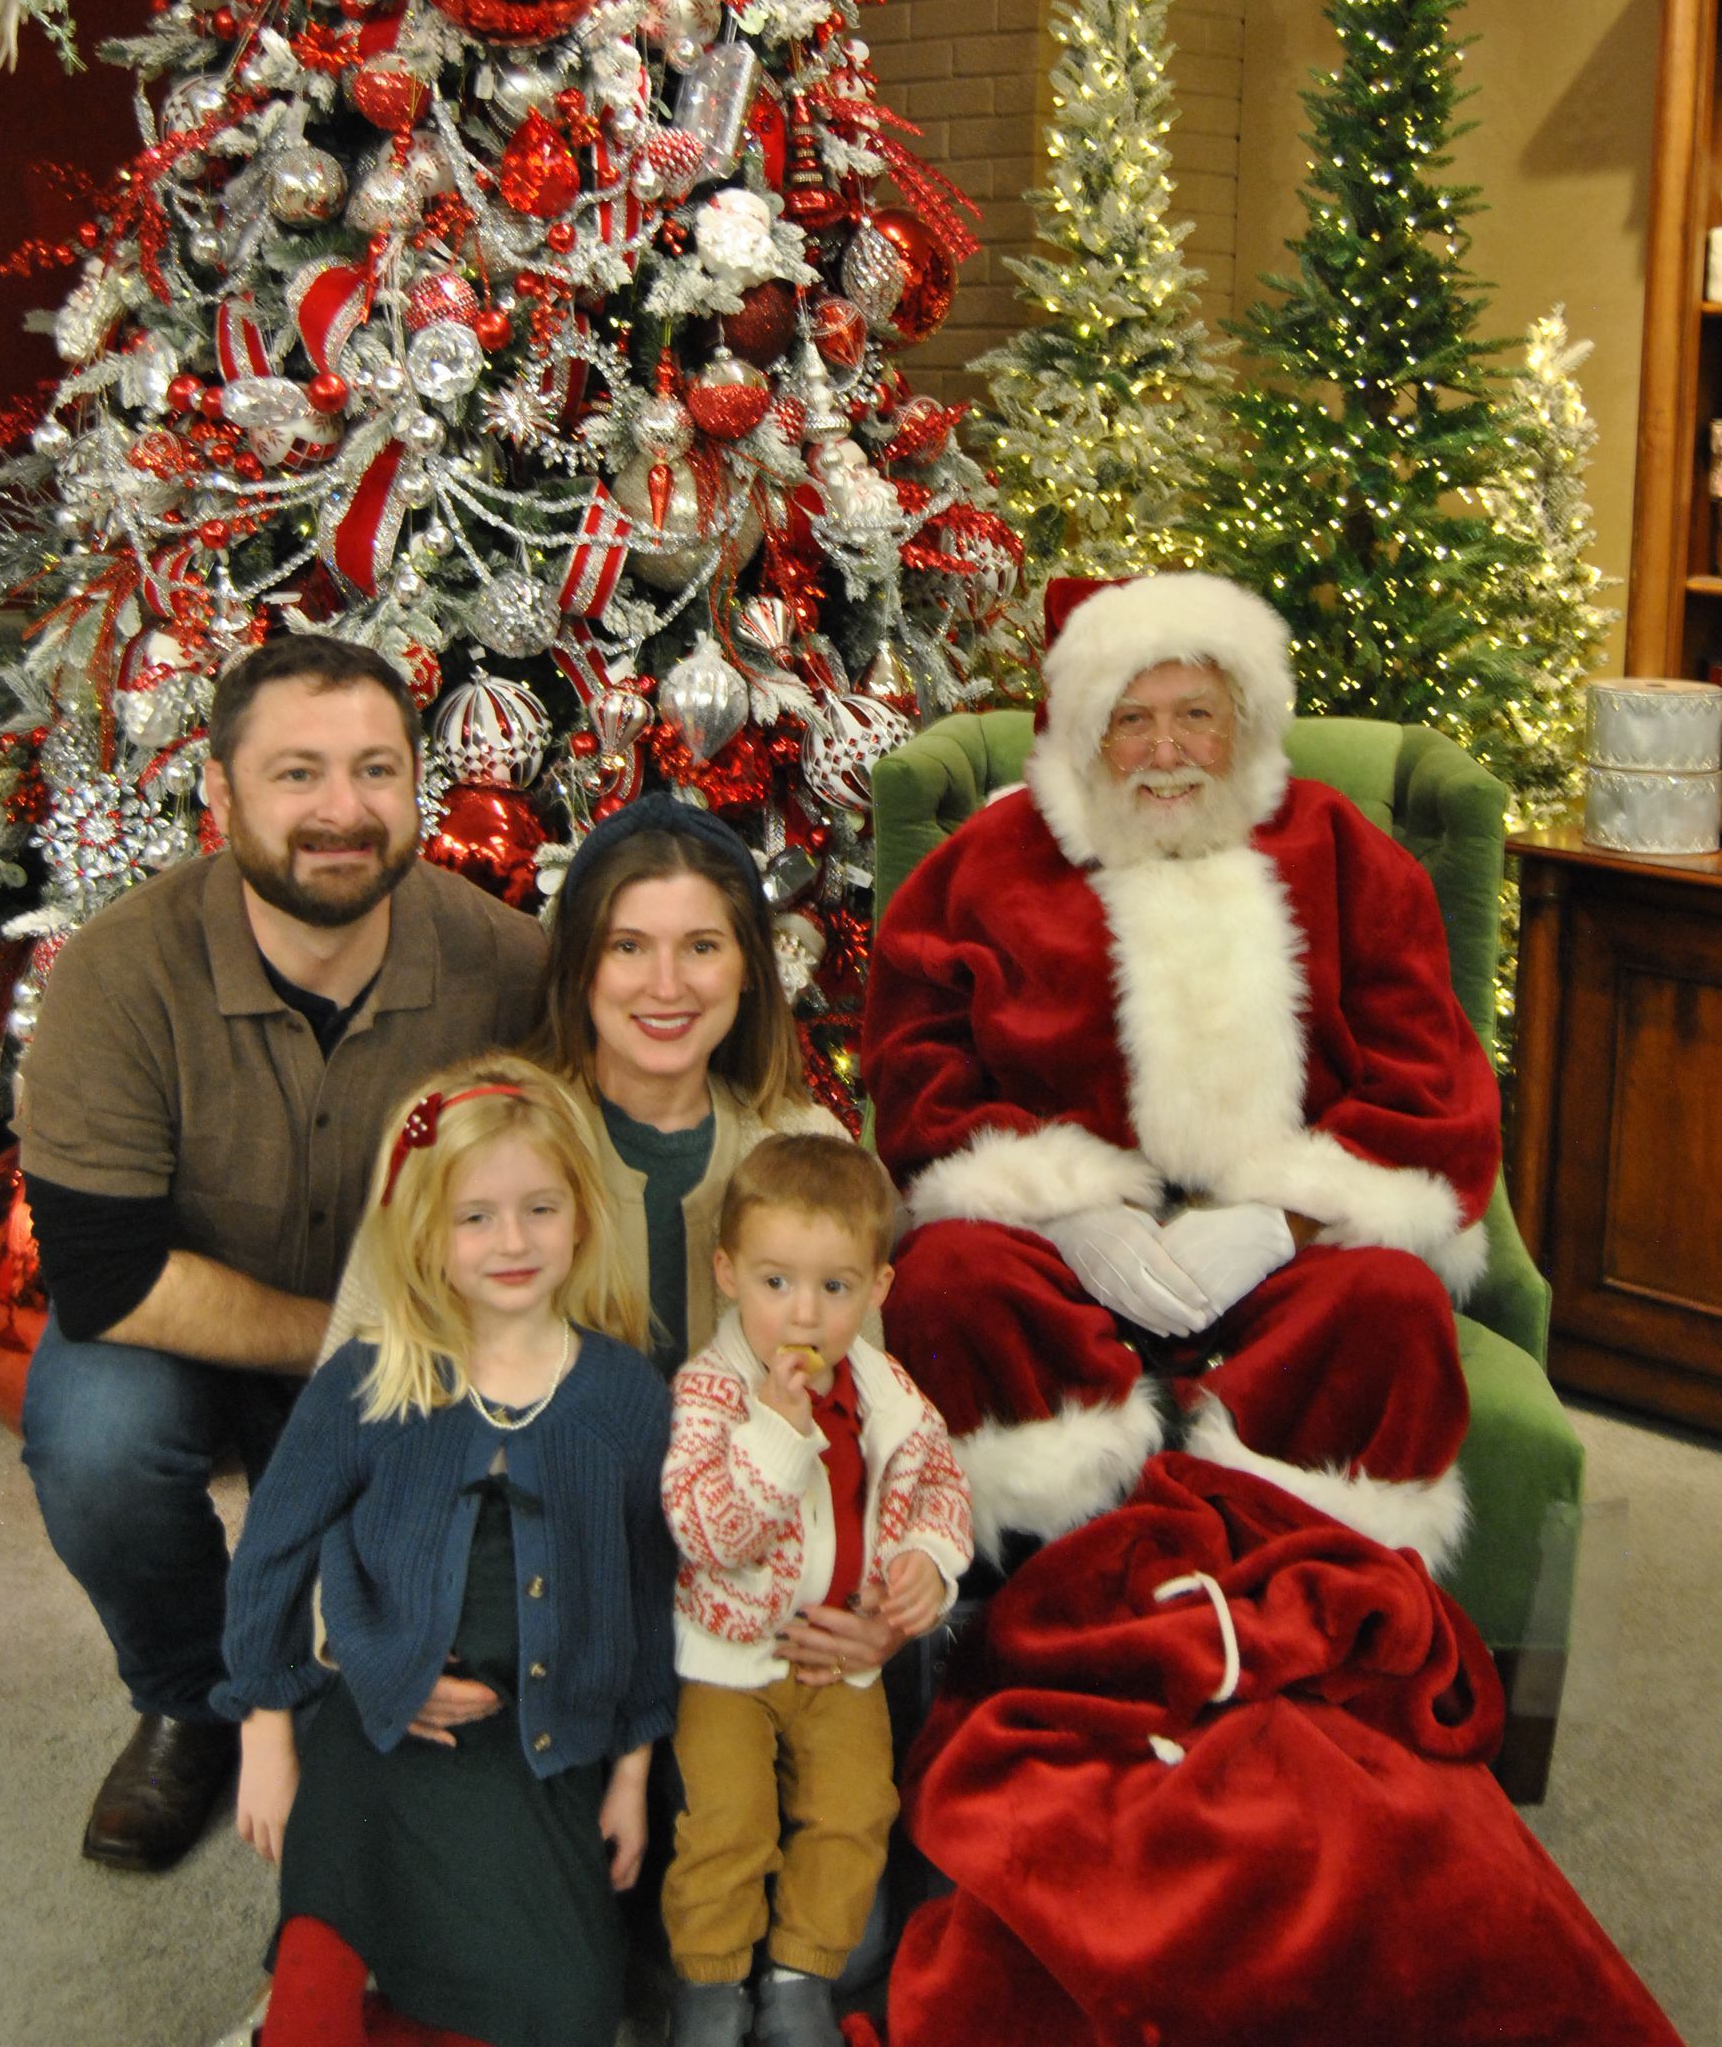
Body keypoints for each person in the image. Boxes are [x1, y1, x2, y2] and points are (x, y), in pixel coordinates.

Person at [16, 634, 547, 1870]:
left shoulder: (512, 970)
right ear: (219, 791)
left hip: (425, 1332)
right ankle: (189, 1697)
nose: (341, 811)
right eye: (296, 773)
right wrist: (352, 1341)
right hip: (187, 1329)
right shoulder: (117, 976)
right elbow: (106, 1278)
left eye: (375, 770)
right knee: (92, 1443)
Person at [863, 570, 1502, 1575]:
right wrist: (1063, 1213)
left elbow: (1430, 1082)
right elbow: (916, 1069)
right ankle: (1040, 1567)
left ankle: (1304, 1580)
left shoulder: (1343, 851)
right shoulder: (988, 863)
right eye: (1131, 720)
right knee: (947, 1283)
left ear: (1243, 719)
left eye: (1195, 715)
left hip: (1286, 1255)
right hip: (1051, 1257)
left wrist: (1281, 1221)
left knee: (1390, 1302)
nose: (1165, 752)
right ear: (1083, 731)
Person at [324, 794, 894, 1739]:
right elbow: (353, 1409)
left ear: (748, 969)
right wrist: (356, 1630)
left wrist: (878, 1600)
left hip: (754, 1612)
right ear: (580, 965)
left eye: (701, 946)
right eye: (628, 946)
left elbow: (868, 1423)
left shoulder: (809, 1150)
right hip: (533, 1599)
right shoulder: (470, 1136)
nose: (665, 985)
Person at [216, 1055, 675, 2047]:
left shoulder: (625, 1398)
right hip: (382, 1732)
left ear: (581, 1215)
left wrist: (633, 1775)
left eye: (540, 1209)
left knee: (568, 2016)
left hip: (541, 1750)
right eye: (474, 1216)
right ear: (423, 1231)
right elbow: (270, 1557)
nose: (512, 1241)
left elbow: (647, 1597)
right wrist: (265, 1734)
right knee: (310, 2011)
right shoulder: (370, 1380)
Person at [660, 1134, 973, 2047]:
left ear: (877, 1289)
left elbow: (939, 1484)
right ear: (727, 1273)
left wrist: (929, 1560)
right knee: (725, 1820)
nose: (803, 1313)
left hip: (842, 1660)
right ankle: (710, 1983)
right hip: (729, 1661)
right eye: (775, 1283)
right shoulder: (710, 1393)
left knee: (855, 1810)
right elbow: (708, 1534)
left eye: (834, 1287)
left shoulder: (888, 1392)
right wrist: (774, 1431)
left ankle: (801, 1975)